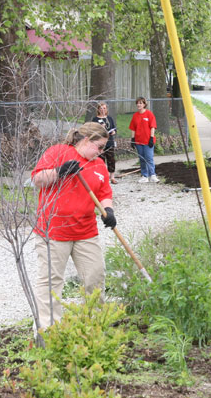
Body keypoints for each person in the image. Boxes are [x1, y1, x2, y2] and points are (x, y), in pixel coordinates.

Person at [31, 122, 116, 330]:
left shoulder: (98, 165)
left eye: (104, 148)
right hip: (53, 231)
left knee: (95, 277)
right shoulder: (59, 152)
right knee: (51, 282)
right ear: (87, 140)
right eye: (99, 146)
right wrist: (59, 171)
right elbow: (37, 179)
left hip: (85, 232)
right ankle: (49, 330)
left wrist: (108, 211)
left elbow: (104, 194)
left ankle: (95, 326)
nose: (101, 152)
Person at [129, 96, 157, 183]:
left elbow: (153, 126)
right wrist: (132, 139)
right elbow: (133, 128)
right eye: (137, 103)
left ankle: (152, 175)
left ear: (144, 104)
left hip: (147, 140)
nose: (139, 104)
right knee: (142, 159)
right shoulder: (135, 115)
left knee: (149, 158)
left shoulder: (149, 114)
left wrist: (151, 138)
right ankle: (144, 176)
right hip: (138, 141)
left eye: (141, 103)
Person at [91, 102, 117, 184]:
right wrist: (100, 128)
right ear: (98, 109)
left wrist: (113, 132)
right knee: (100, 160)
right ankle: (102, 177)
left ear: (106, 109)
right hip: (100, 143)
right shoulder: (95, 119)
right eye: (101, 108)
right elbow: (92, 131)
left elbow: (114, 129)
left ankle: (112, 177)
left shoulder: (109, 118)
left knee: (111, 159)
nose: (102, 110)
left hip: (109, 142)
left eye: (104, 108)